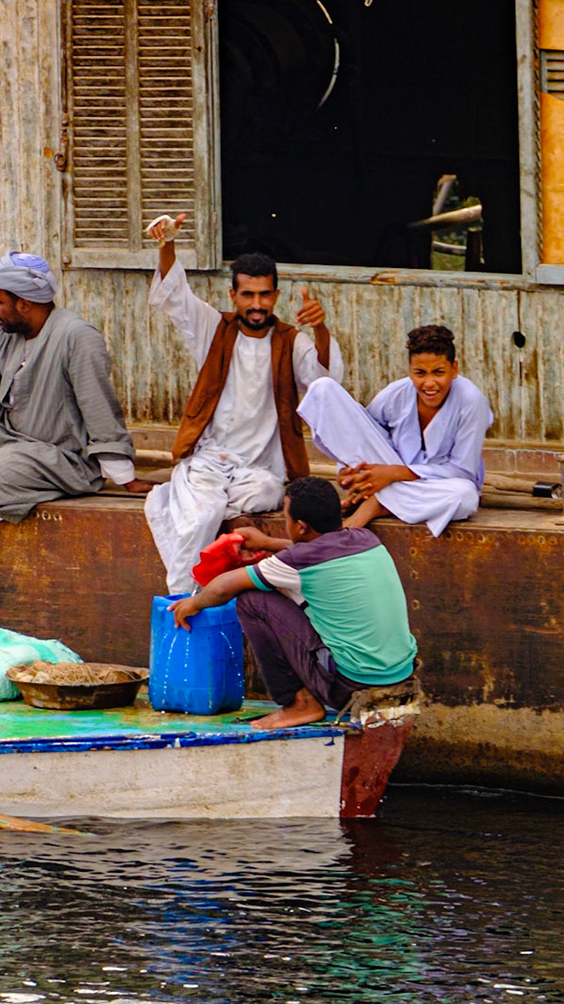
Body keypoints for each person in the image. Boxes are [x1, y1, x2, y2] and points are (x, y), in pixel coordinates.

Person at [139, 213, 341, 594]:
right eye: (248, 295)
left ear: (276, 296)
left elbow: (325, 383)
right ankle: (184, 593)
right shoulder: (213, 328)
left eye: (265, 295)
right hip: (212, 458)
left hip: (259, 467)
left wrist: (320, 329)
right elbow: (175, 295)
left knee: (266, 493)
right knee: (204, 514)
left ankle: (194, 507)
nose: (257, 304)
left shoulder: (290, 341)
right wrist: (167, 244)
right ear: (233, 296)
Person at [169, 476, 418, 730]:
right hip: (401, 674)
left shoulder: (299, 561)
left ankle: (299, 703)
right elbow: (314, 551)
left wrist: (195, 603)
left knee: (252, 600)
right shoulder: (365, 539)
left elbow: (224, 587)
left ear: (300, 526)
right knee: (288, 591)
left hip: (351, 685)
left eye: (286, 519)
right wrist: (267, 543)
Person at [0, 250, 138, 522]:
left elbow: (99, 406)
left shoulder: (77, 337)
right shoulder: (2, 327)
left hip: (60, 458)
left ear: (24, 304)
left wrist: (125, 477)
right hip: (4, 441)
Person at [299, 323, 492, 534]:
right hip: (388, 479)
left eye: (438, 372)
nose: (429, 383)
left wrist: (392, 474)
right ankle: (378, 496)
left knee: (464, 497)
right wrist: (351, 473)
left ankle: (379, 505)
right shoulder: (395, 395)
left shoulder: (472, 401)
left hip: (438, 483)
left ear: (454, 369)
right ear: (410, 371)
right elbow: (363, 437)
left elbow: (462, 471)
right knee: (322, 388)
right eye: (420, 373)